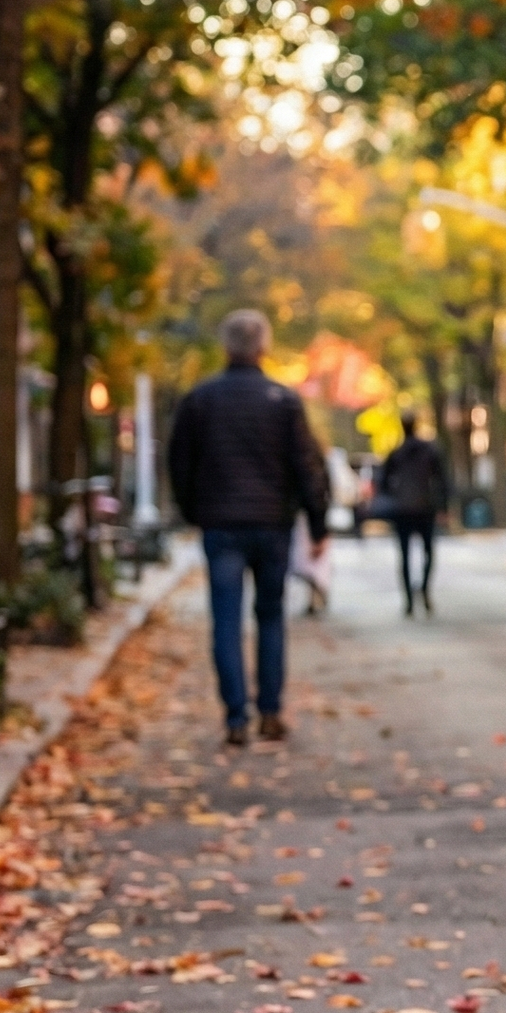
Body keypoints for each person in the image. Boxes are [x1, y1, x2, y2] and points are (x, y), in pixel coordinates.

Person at [168, 309, 329, 744]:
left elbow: (179, 464)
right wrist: (317, 524)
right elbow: (306, 467)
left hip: (220, 526)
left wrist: (193, 510)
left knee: (225, 619)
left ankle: (236, 716)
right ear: (263, 347)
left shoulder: (200, 400)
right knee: (270, 617)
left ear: (226, 347)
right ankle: (270, 711)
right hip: (272, 525)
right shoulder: (283, 401)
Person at [377, 413, 448, 615]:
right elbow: (442, 480)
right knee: (428, 552)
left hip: (402, 510)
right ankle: (423, 589)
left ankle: (409, 599)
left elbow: (383, 482)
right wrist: (443, 506)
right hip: (425, 508)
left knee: (405, 556)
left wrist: (394, 494)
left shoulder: (396, 453)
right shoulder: (430, 450)